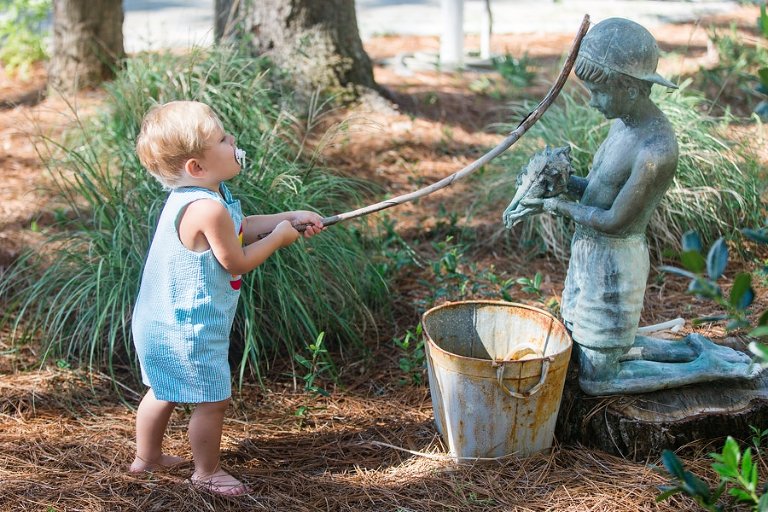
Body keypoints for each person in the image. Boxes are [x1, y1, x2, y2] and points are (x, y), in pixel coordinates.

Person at [508, 18, 759, 395]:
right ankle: (692, 348)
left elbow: (613, 220)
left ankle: (705, 365)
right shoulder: (622, 122)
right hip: (588, 254)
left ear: (629, 88)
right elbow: (598, 191)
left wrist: (555, 205)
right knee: (587, 351)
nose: (592, 102)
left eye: (598, 91)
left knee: (598, 378)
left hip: (615, 262)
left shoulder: (655, 149)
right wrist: (560, 183)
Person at [128, 100, 324, 495]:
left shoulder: (200, 199)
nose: (233, 141)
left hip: (159, 322)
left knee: (163, 392)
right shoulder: (207, 209)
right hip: (191, 328)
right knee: (212, 400)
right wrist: (279, 239)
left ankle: (146, 459)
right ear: (196, 167)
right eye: (222, 139)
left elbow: (243, 225)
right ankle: (206, 472)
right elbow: (237, 260)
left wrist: (288, 217)